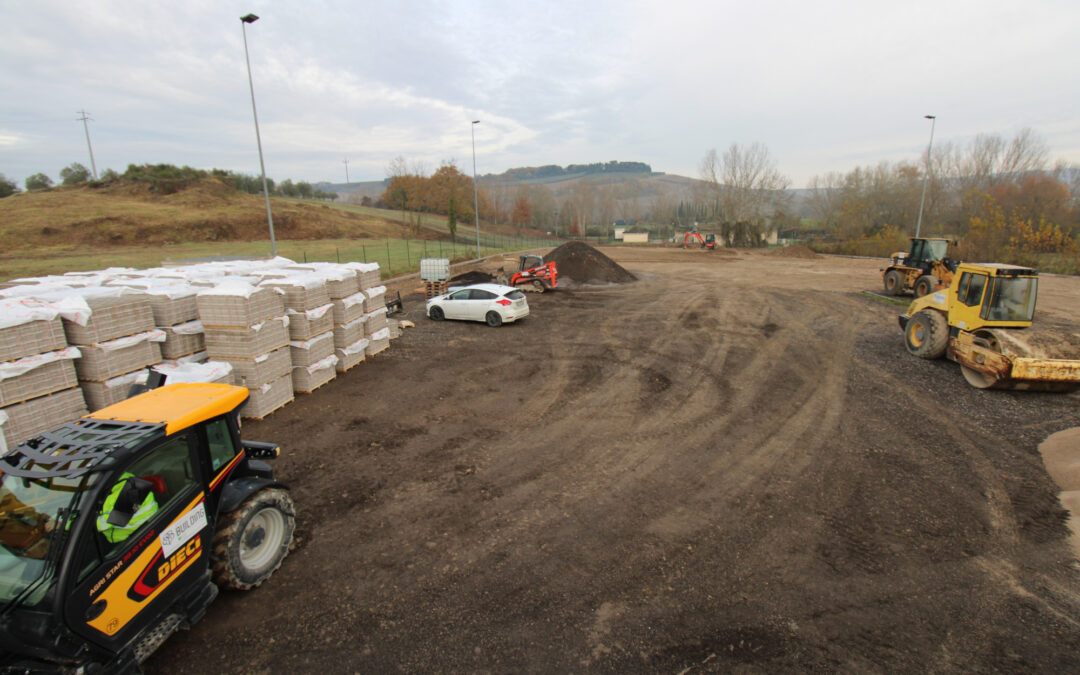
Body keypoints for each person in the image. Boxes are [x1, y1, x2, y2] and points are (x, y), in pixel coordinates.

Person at [96, 473, 158, 544]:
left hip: (136, 539)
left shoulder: (132, 490)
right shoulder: (119, 478)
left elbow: (109, 521)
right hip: (119, 536)